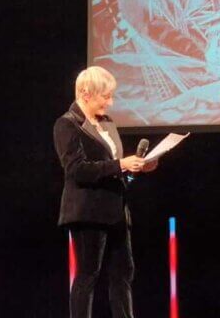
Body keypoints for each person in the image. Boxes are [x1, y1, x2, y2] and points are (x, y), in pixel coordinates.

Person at [53, 66, 155, 318]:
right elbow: (77, 170)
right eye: (105, 96)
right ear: (86, 94)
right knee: (88, 274)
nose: (110, 102)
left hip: (116, 209)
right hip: (88, 210)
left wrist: (137, 167)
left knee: (123, 272)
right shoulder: (67, 125)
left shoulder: (107, 124)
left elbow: (114, 167)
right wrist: (121, 164)